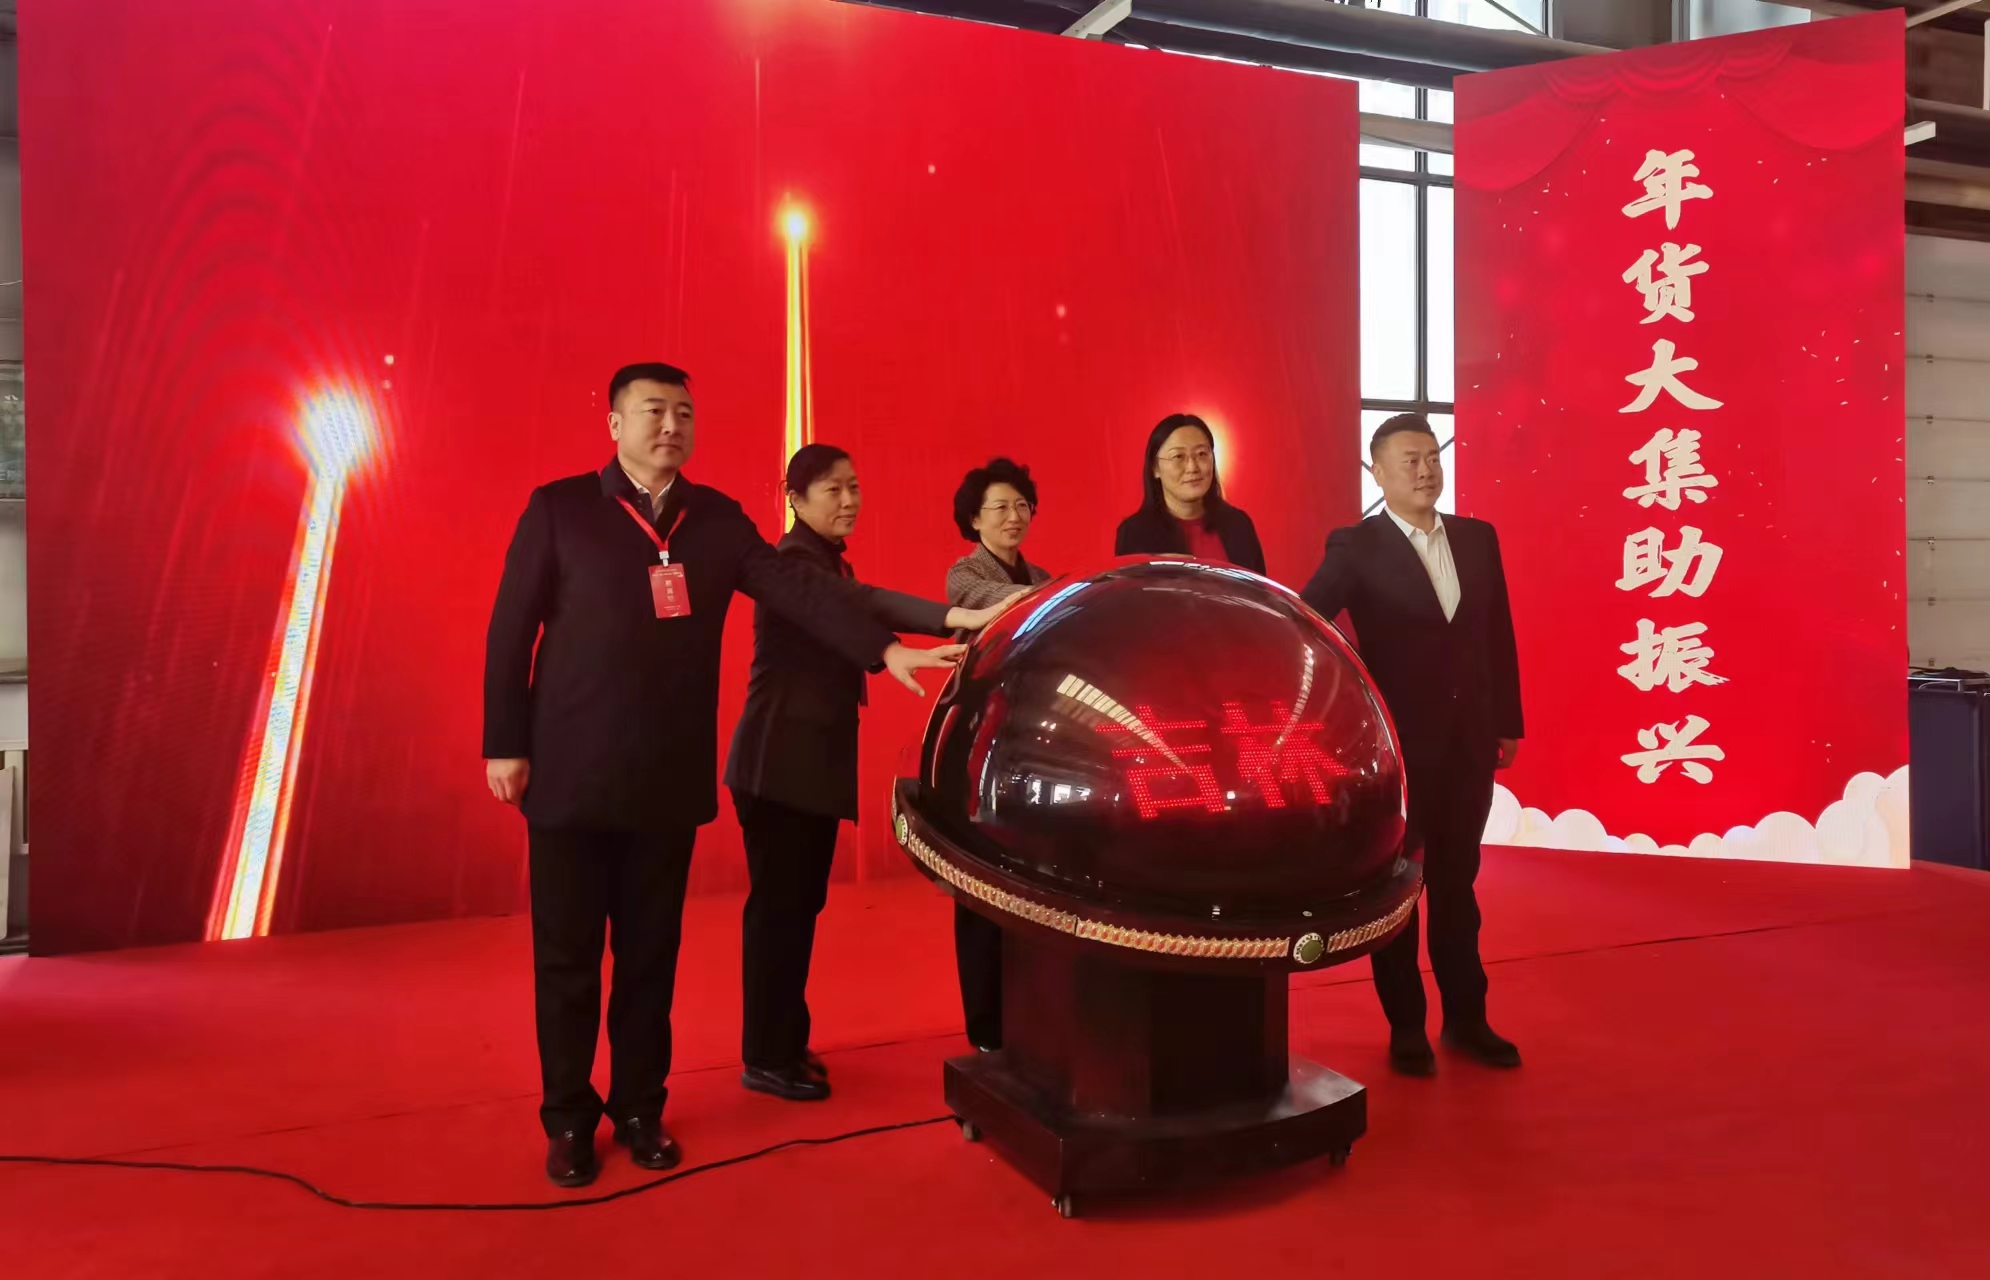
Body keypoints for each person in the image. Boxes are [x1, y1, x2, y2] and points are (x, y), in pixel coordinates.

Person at [482, 362, 961, 1188]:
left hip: (665, 780)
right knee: (566, 960)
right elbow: (509, 629)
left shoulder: (716, 521)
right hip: (567, 773)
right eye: (653, 411)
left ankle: (640, 1109)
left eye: (684, 412)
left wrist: (883, 650)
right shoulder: (560, 509)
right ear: (615, 423)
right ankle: (568, 1120)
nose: (671, 425)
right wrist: (505, 743)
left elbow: (801, 592)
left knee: (649, 958)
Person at [723, 444, 1015, 1103]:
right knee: (779, 913)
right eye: (832, 489)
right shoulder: (793, 563)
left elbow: (859, 597)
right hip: (777, 767)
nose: (849, 500)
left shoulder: (826, 559)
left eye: (853, 486)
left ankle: (782, 1041)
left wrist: (948, 622)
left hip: (804, 770)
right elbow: (858, 602)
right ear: (794, 499)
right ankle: (766, 1055)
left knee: (797, 908)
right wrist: (948, 619)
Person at [1299, 413, 1524, 1077]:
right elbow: (1306, 621)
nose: (1426, 471)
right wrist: (1346, 710)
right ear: (1378, 472)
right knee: (1400, 888)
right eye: (1410, 460)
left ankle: (1467, 1018)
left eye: (1432, 457)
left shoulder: (1477, 538)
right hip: (1396, 749)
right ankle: (1406, 1026)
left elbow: (1499, 635)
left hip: (1469, 742)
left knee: (1458, 883)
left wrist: (1506, 722)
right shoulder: (1356, 546)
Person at [943, 457, 1053, 1051]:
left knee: (1032, 889)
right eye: (1000, 507)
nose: (1014, 516)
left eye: (1021, 505)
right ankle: (985, 1029)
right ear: (974, 519)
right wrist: (1060, 595)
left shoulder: (1043, 574)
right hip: (978, 754)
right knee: (981, 890)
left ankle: (1030, 1020)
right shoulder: (964, 574)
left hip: (1029, 753)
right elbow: (1005, 601)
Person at [1112, 413, 1266, 574]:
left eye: (1201, 454)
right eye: (1178, 456)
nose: (1192, 467)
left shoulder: (1239, 524)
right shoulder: (1135, 534)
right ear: (1155, 468)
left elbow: (1257, 589)